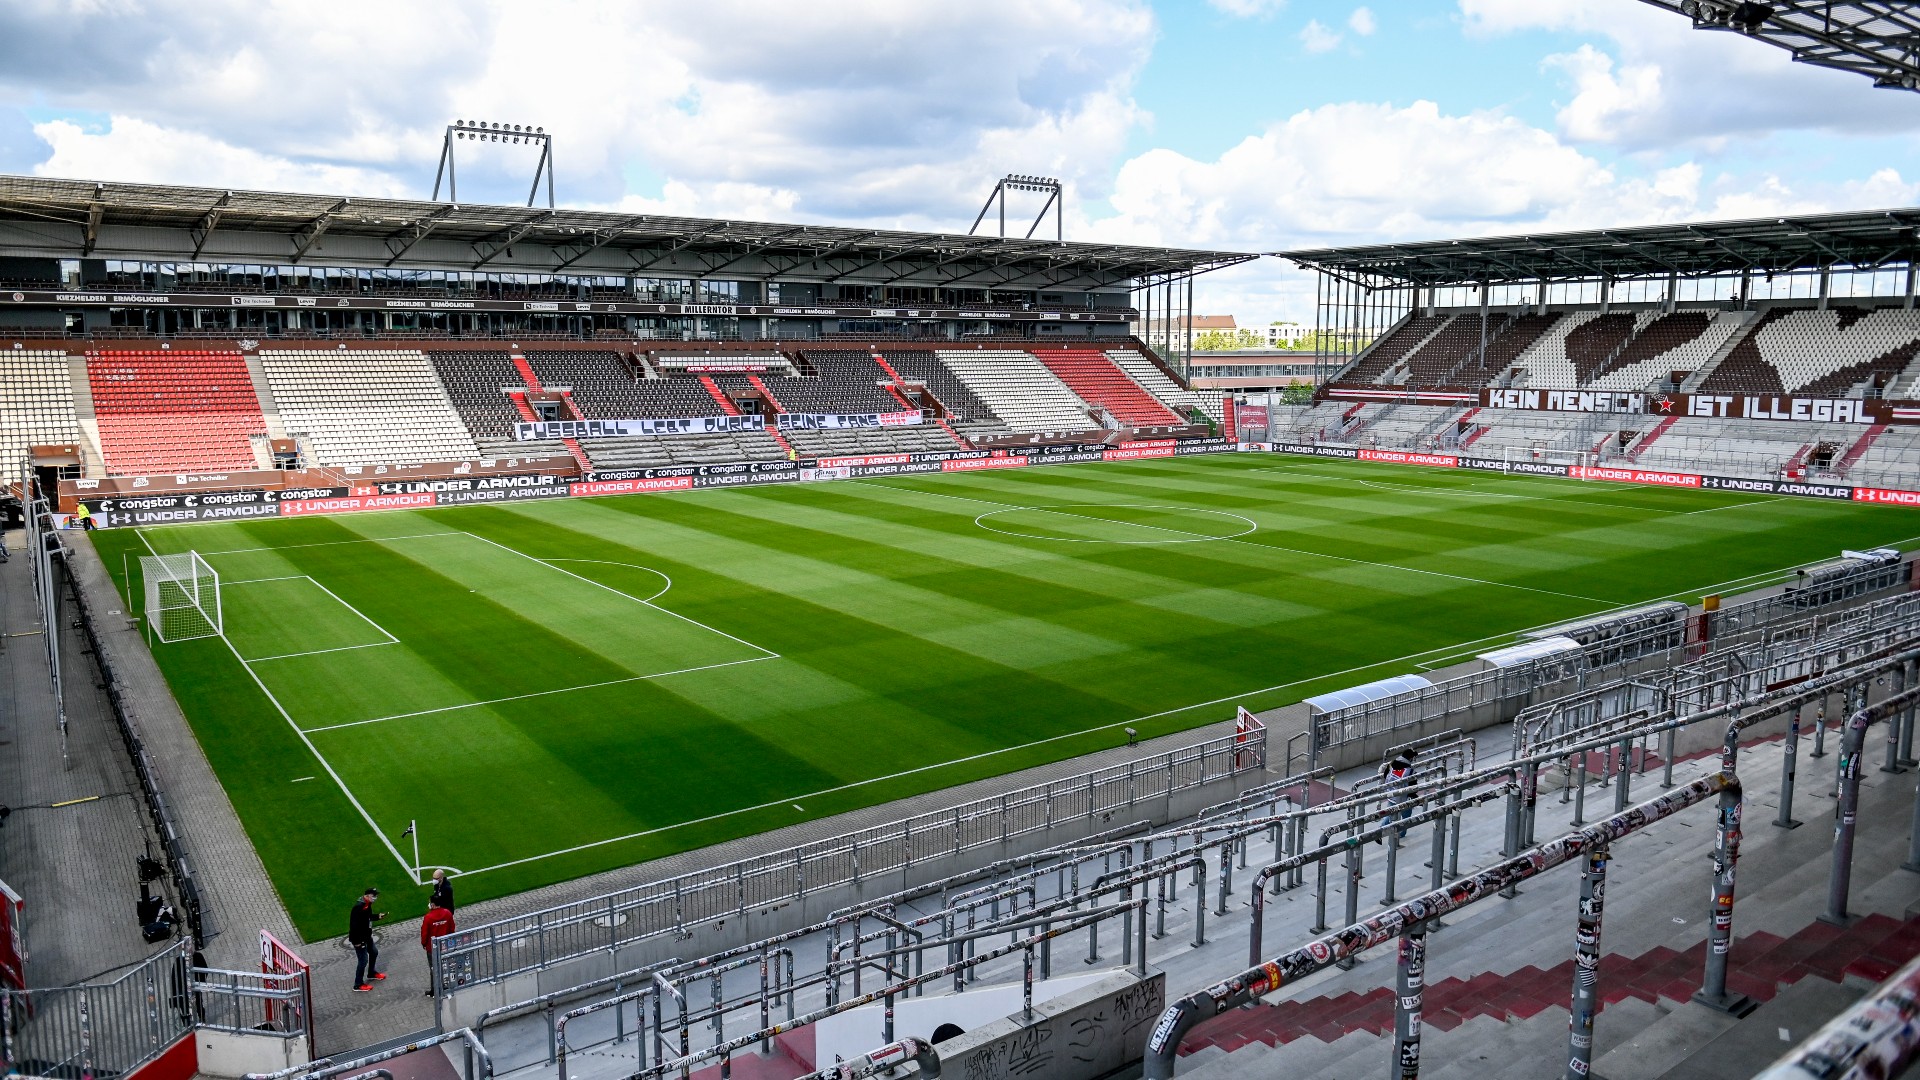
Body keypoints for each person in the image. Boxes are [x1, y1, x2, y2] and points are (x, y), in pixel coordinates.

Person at [348, 888, 387, 991]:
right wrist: (357, 942)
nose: (375, 898)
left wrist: (377, 916)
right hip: (359, 939)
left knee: (374, 952)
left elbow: (368, 917)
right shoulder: (358, 907)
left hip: (366, 936)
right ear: (367, 896)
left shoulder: (367, 905)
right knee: (363, 960)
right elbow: (354, 926)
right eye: (374, 896)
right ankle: (358, 984)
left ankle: (371, 973)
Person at [420, 902, 456, 997]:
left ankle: (434, 991)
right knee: (445, 966)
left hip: (432, 948)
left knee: (434, 969)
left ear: (432, 904)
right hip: (445, 946)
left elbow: (424, 933)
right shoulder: (447, 913)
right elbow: (452, 928)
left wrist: (424, 943)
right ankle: (446, 986)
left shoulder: (428, 917)